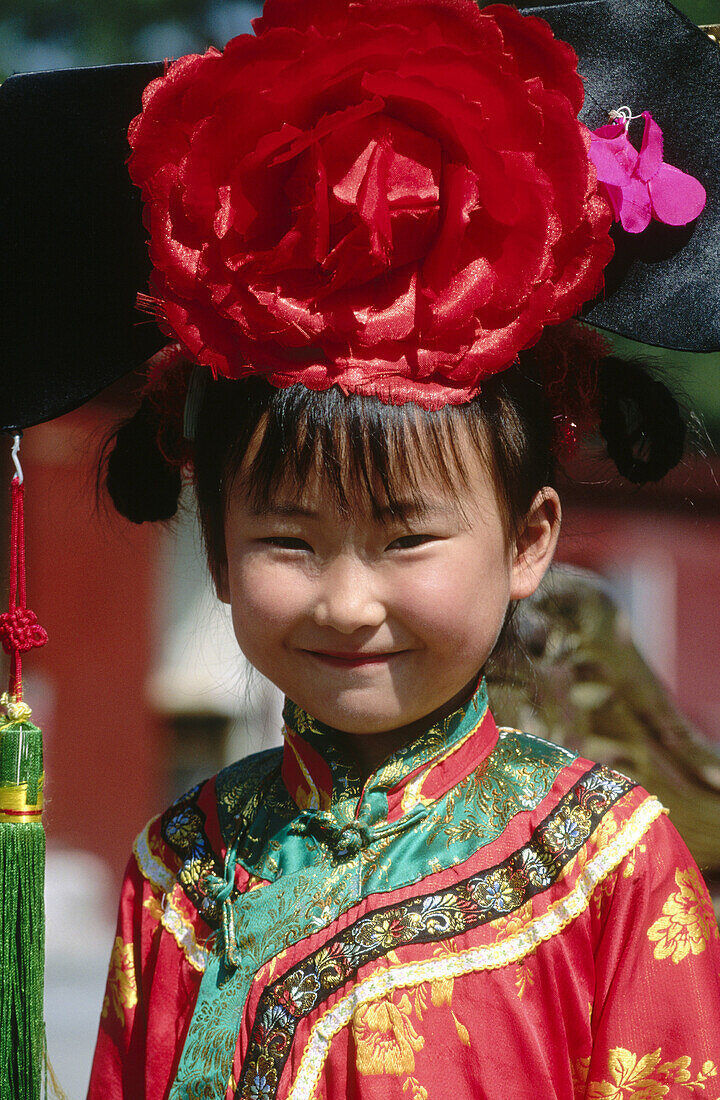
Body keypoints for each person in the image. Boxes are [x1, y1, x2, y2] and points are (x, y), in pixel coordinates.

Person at [86, 0, 720, 1096]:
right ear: (222, 553)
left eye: (406, 538)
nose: (345, 601)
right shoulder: (180, 867)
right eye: (289, 539)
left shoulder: (608, 862)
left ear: (529, 541)